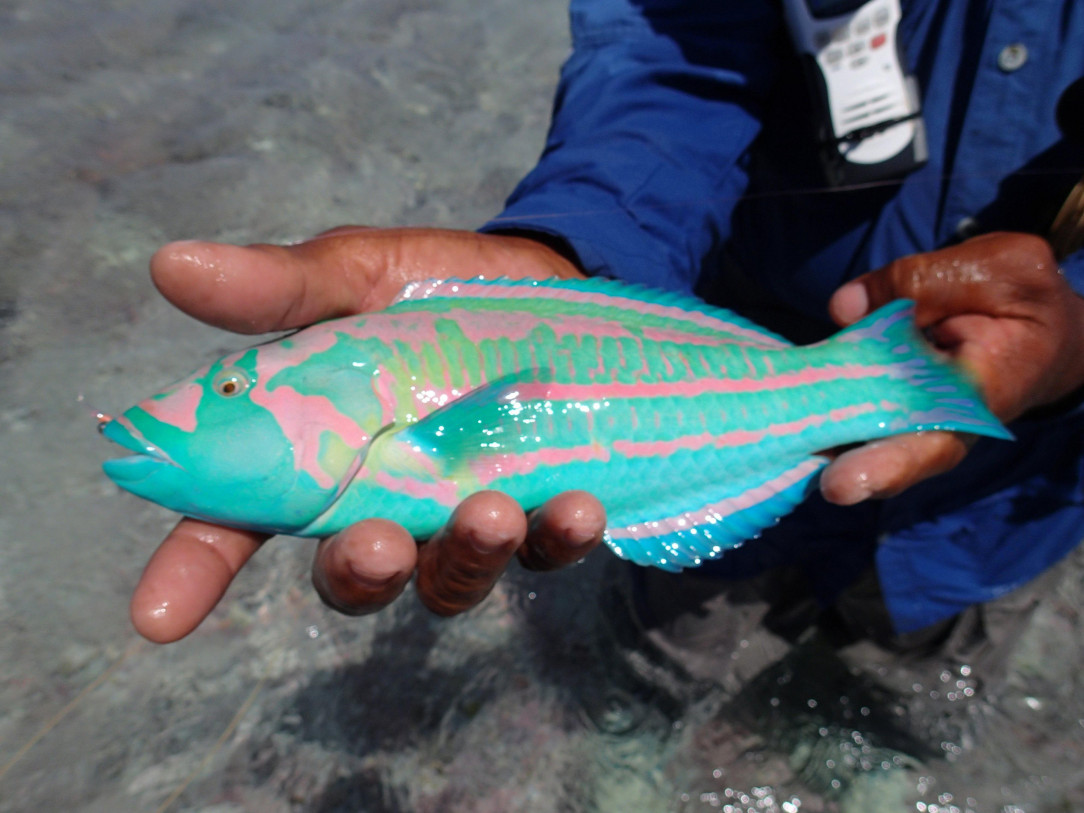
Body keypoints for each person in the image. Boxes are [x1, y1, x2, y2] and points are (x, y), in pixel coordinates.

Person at [129, 0, 1084, 652]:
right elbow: (677, 56)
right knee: (662, 648)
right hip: (733, 341)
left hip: (1013, 494)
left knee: (911, 663)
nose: (221, 388)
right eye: (228, 383)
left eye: (229, 384)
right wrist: (576, 243)